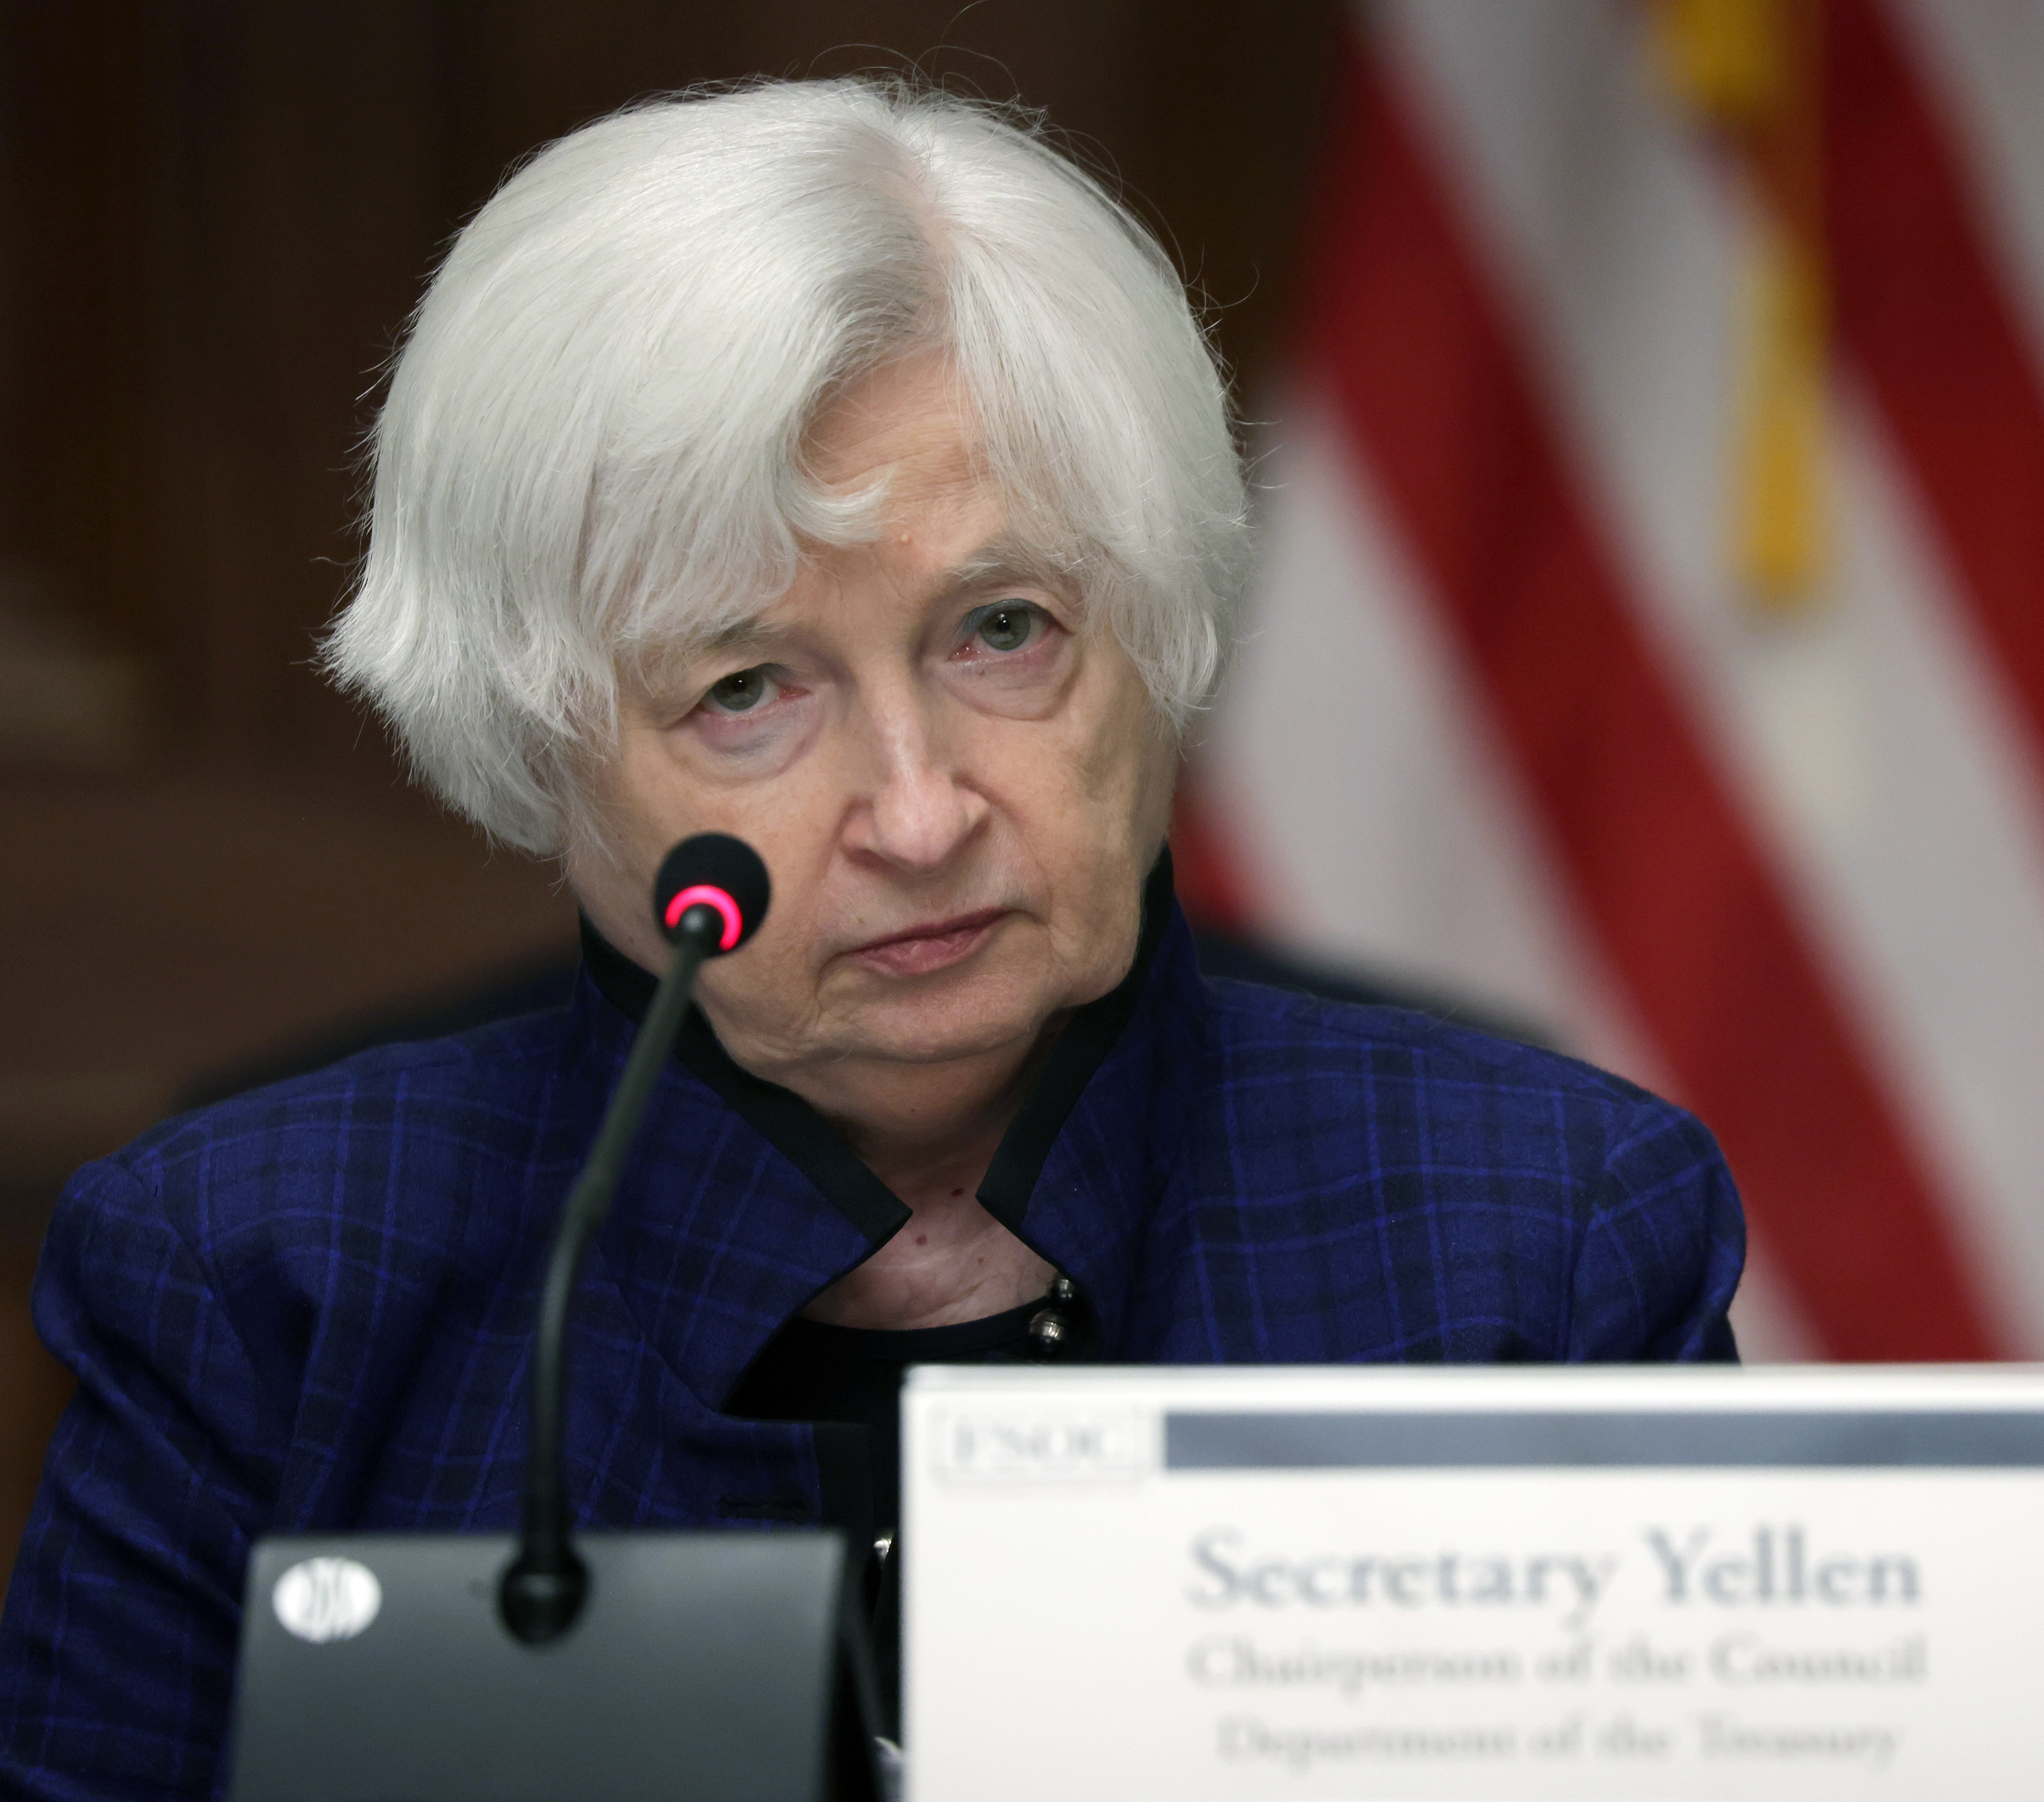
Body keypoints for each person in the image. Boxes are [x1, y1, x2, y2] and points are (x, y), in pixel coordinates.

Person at [0, 79, 1744, 1799]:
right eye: (744, 688)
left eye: (1003, 630)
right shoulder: (259, 1279)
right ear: (536, 745)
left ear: (1158, 625)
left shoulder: (1535, 1237)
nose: (917, 815)